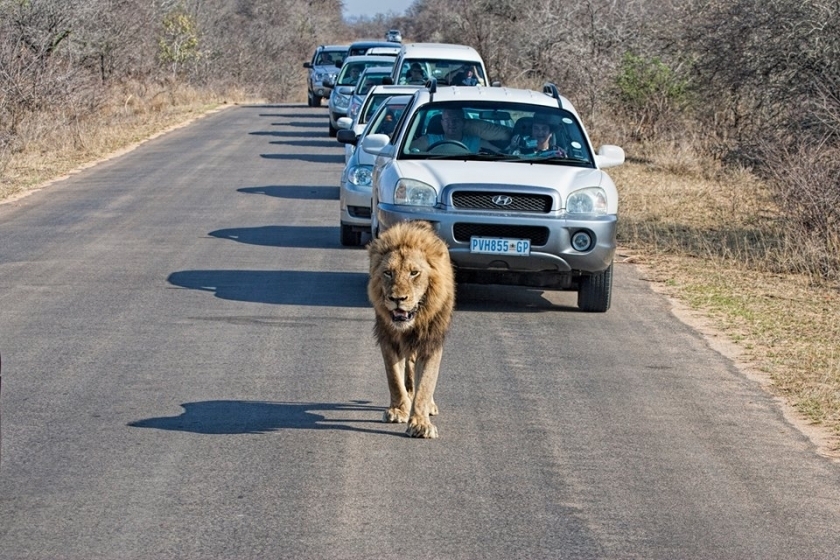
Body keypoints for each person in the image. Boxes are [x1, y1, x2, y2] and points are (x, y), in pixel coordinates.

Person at [412, 108, 511, 153]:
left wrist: (513, 147)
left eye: (456, 120)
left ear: (463, 123)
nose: (451, 123)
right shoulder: (429, 140)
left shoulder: (475, 142)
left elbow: (500, 154)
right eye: (447, 120)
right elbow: (408, 150)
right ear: (441, 122)